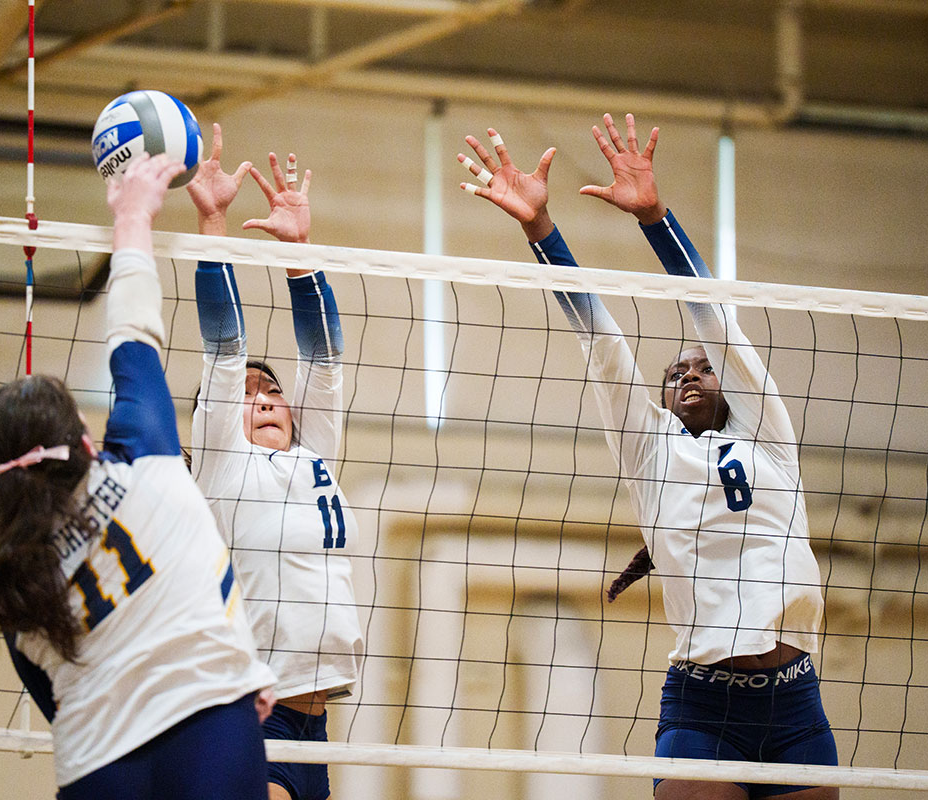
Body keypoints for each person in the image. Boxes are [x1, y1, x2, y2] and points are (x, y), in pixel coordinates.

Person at [458, 115, 838, 800]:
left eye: (702, 367)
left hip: (795, 702)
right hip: (705, 703)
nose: (689, 373)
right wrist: (540, 229)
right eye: (675, 372)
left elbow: (715, 320)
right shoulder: (652, 450)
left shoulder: (768, 438)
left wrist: (656, 217)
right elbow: (602, 343)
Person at [0, 153, 277, 800]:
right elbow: (133, 330)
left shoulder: (13, 586)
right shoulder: (146, 461)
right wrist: (131, 216)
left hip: (94, 763)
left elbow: (57, 704)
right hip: (207, 723)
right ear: (85, 440)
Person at [186, 124, 364, 800]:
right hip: (253, 713)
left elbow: (323, 357)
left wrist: (299, 255)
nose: (262, 397)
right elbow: (225, 349)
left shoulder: (315, 454)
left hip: (314, 726)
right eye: (246, 394)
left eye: (273, 390)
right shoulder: (222, 465)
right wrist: (214, 223)